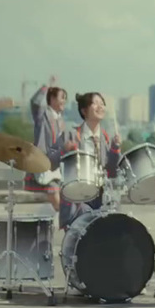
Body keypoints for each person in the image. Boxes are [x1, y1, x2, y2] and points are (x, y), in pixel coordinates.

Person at [57, 92, 122, 230]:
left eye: (102, 103)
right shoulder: (70, 134)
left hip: (102, 197)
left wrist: (115, 149)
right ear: (84, 110)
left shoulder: (108, 138)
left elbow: (112, 171)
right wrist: (64, 150)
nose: (101, 106)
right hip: (78, 198)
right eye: (96, 103)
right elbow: (50, 161)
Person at [26, 79, 68, 213]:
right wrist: (47, 86)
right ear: (53, 99)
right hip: (44, 163)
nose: (64, 102)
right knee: (55, 195)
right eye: (62, 98)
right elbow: (35, 102)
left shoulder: (61, 120)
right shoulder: (42, 115)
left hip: (57, 166)